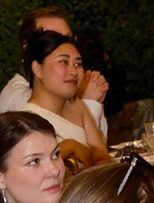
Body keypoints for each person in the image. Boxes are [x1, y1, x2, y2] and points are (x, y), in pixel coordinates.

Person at [10, 25, 112, 162]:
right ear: (37, 69)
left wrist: (75, 148)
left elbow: (101, 156)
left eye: (78, 64)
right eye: (63, 62)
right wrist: (71, 148)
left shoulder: (75, 105)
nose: (73, 71)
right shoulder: (29, 122)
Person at [0, 3, 110, 119]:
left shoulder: (62, 87)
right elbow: (68, 136)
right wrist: (89, 104)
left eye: (68, 38)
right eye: (53, 39)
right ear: (27, 46)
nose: (65, 46)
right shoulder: (20, 100)